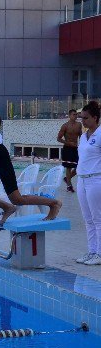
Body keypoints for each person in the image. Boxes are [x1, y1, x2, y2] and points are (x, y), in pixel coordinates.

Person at [75, 101, 101, 265]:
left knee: (98, 218)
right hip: (82, 180)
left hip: (96, 179)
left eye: (85, 118)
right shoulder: (84, 137)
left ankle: (99, 253)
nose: (82, 121)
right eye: (81, 118)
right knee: (87, 219)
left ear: (95, 118)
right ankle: (92, 251)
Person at [58, 109, 83, 192]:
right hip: (67, 148)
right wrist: (68, 143)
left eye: (76, 114)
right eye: (73, 114)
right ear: (69, 115)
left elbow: (81, 136)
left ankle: (67, 179)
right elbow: (58, 138)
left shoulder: (79, 125)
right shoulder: (65, 126)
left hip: (75, 148)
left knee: (79, 167)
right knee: (68, 167)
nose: (75, 116)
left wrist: (82, 146)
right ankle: (69, 186)